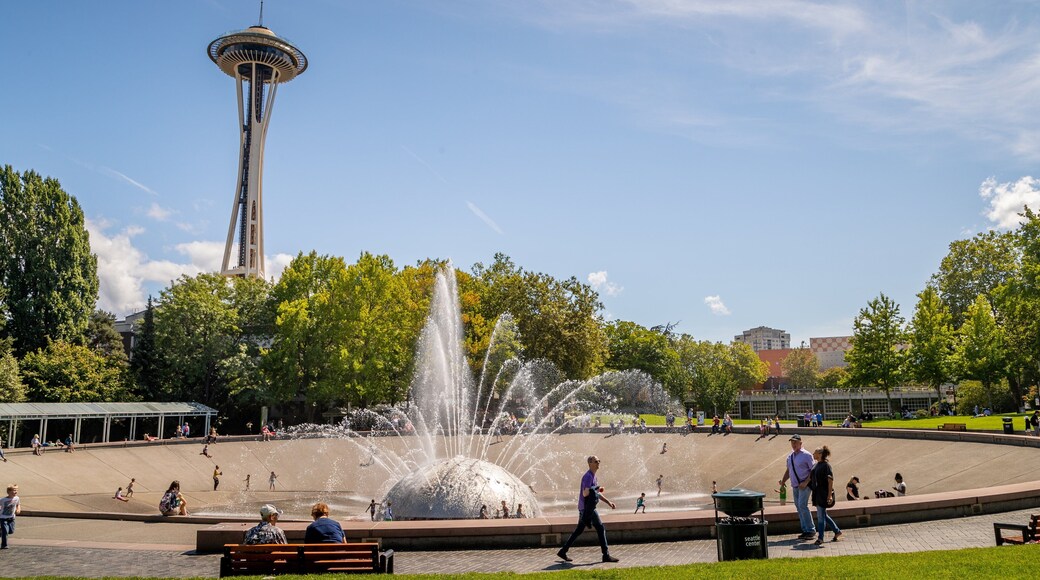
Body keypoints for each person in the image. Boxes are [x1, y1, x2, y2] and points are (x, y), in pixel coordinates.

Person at [556, 455, 619, 563]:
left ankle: (563, 551)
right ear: (590, 463)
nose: (598, 462)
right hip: (587, 509)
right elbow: (585, 493)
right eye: (596, 461)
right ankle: (606, 555)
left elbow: (596, 494)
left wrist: (608, 502)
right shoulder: (588, 476)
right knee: (600, 528)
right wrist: (595, 488)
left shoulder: (594, 476)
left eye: (599, 460)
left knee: (579, 530)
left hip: (584, 508)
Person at [779, 434, 817, 540]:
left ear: (801, 443)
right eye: (792, 442)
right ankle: (805, 530)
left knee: (802, 505)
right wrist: (783, 481)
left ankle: (810, 530)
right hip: (795, 486)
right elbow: (788, 470)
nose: (793, 444)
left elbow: (813, 470)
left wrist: (806, 481)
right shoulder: (790, 456)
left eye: (795, 442)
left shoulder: (807, 455)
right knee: (799, 507)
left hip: (805, 485)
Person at [810, 446, 843, 545]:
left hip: (823, 494)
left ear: (820, 454)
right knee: (824, 515)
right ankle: (837, 531)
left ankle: (820, 538)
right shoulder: (816, 465)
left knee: (820, 516)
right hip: (817, 493)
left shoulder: (826, 466)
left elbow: (830, 480)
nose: (813, 454)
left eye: (815, 452)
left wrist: (829, 495)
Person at [0, 484, 20, 549]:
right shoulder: (3, 500)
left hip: (11, 518)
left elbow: (18, 504)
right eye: (14, 490)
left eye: (16, 490)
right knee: (5, 531)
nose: (15, 492)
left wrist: (18, 509)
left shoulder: (17, 498)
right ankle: (4, 545)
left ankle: (1, 532)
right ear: (8, 492)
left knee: (11, 531)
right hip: (3, 518)